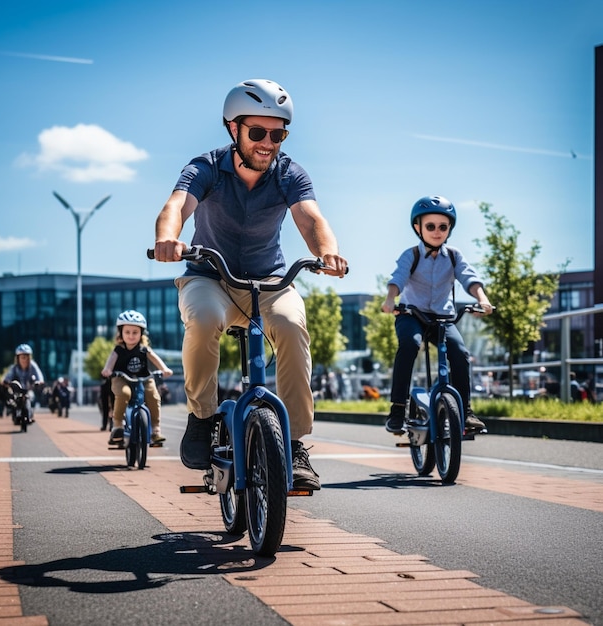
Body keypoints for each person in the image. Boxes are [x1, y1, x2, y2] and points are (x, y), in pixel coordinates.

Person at [153, 78, 348, 490]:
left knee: (294, 328)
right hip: (211, 277)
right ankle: (202, 419)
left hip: (271, 283)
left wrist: (328, 250)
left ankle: (294, 445)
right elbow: (177, 205)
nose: (268, 143)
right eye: (257, 132)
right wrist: (167, 239)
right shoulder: (206, 167)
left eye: (277, 134)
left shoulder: (289, 173)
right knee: (203, 320)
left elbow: (311, 218)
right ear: (232, 129)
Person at [381, 196, 494, 434]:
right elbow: (398, 278)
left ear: (449, 229)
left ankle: (466, 412)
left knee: (460, 353)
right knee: (410, 344)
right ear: (417, 228)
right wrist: (391, 299)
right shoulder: (411, 255)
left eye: (443, 227)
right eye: (430, 226)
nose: (436, 232)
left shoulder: (453, 256)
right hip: (411, 315)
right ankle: (398, 409)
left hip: (443, 318)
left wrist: (482, 299)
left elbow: (469, 278)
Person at [101, 310, 173, 445]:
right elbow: (110, 362)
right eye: (127, 332)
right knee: (123, 394)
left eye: (135, 332)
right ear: (121, 333)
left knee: (153, 396)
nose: (131, 336)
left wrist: (164, 369)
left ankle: (155, 430)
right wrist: (107, 370)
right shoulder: (119, 349)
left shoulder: (143, 349)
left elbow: (156, 359)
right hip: (121, 378)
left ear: (142, 333)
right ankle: (117, 426)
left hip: (144, 378)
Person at [2, 343, 45, 423]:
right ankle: (14, 413)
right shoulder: (14, 368)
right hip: (17, 390)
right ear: (18, 358)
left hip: (28, 389)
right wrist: (5, 382)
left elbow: (39, 375)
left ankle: (30, 414)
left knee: (32, 398)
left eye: (26, 357)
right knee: (13, 400)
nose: (24, 360)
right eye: (22, 357)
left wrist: (39, 381)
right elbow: (7, 377)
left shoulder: (33, 366)